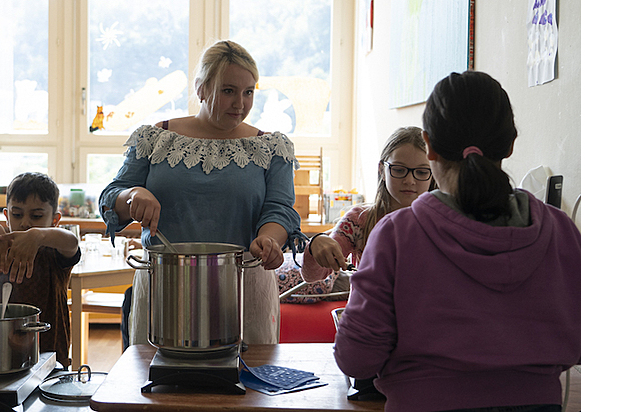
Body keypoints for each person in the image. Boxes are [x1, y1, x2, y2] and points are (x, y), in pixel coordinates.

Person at [334, 71, 581, 412]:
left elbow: (356, 358)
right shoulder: (562, 231)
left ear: (429, 146)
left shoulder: (396, 235)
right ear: (510, 145)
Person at [99, 39, 303, 346]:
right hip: (165, 284)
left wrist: (270, 240)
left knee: (247, 387)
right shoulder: (156, 138)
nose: (240, 103)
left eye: (249, 92)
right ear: (201, 89)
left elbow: (280, 209)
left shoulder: (272, 148)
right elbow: (110, 197)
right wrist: (133, 196)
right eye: (228, 90)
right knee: (158, 383)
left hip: (243, 287)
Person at [0, 172, 81, 369]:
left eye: (37, 216)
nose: (25, 223)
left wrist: (38, 236)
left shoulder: (54, 250)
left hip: (49, 351)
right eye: (17, 214)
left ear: (55, 220)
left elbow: (72, 241)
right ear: (6, 215)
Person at [301, 126, 435, 282]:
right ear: (381, 170)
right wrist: (314, 245)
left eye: (422, 172)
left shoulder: (440, 223)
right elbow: (312, 276)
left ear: (434, 174)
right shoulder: (358, 220)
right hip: (367, 306)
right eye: (398, 170)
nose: (410, 181)